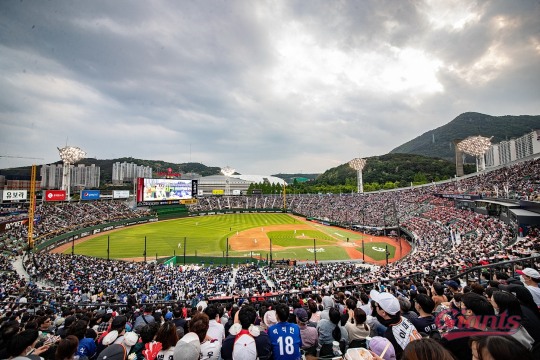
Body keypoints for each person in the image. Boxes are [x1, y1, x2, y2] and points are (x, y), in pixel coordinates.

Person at [369, 289, 421, 359]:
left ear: (383, 312)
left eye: (376, 306)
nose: (375, 308)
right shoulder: (403, 318)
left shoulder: (390, 335)